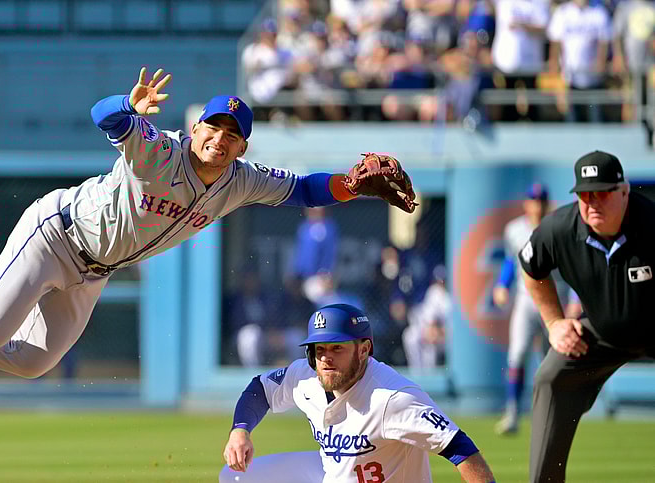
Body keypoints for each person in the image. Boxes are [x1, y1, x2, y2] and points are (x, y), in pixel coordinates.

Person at [0, 66, 416, 380]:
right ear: (195, 129)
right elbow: (103, 115)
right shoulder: (158, 151)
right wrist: (129, 104)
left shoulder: (241, 179)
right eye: (211, 128)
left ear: (241, 145)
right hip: (55, 235)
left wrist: (349, 185)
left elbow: (303, 190)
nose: (218, 139)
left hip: (94, 270)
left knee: (32, 362)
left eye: (231, 135)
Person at [220, 303, 496, 483]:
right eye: (319, 349)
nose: (326, 358)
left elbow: (462, 451)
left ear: (364, 350)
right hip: (335, 474)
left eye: (337, 347)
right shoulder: (305, 376)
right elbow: (260, 389)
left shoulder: (393, 398)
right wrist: (240, 431)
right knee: (235, 477)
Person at [520, 151, 655, 482]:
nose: (592, 202)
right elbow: (530, 268)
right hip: (603, 334)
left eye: (603, 192)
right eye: (585, 194)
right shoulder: (560, 229)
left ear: (624, 191)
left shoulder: (651, 223)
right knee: (551, 376)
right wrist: (554, 323)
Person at [493, 182, 557, 435]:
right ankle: (512, 413)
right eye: (534, 200)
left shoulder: (557, 227)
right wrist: (502, 284)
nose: (537, 206)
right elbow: (510, 260)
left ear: (547, 204)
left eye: (541, 201)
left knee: (552, 360)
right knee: (517, 354)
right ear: (527, 203)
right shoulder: (515, 229)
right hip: (526, 300)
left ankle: (553, 412)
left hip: (554, 301)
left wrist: (574, 298)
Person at [402, 264, 450, 371]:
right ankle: (417, 373)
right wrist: (433, 330)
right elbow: (430, 323)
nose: (440, 283)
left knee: (429, 343)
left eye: (442, 280)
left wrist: (439, 331)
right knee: (411, 336)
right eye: (438, 280)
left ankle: (429, 375)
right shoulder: (434, 291)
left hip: (449, 336)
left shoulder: (451, 295)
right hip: (433, 332)